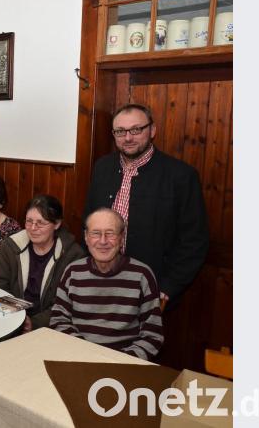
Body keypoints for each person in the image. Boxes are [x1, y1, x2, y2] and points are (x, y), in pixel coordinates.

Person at [84, 103, 208, 307]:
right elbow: (88, 221)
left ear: (152, 130)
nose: (128, 137)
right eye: (120, 131)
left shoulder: (181, 176)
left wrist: (168, 287)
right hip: (100, 279)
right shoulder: (102, 167)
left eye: (136, 129)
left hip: (151, 287)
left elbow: (194, 241)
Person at [49, 208, 163, 360]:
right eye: (96, 233)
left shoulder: (142, 275)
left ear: (122, 238)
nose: (103, 241)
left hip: (124, 363)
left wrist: (117, 361)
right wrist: (85, 354)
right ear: (86, 237)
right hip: (78, 357)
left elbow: (152, 335)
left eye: (110, 233)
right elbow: (58, 321)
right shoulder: (73, 272)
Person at [0, 195, 86, 332]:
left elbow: (65, 303)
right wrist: (15, 318)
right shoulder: (11, 246)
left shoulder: (72, 254)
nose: (33, 228)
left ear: (57, 224)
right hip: (9, 319)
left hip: (51, 327)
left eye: (41, 223)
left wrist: (33, 323)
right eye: (29, 221)